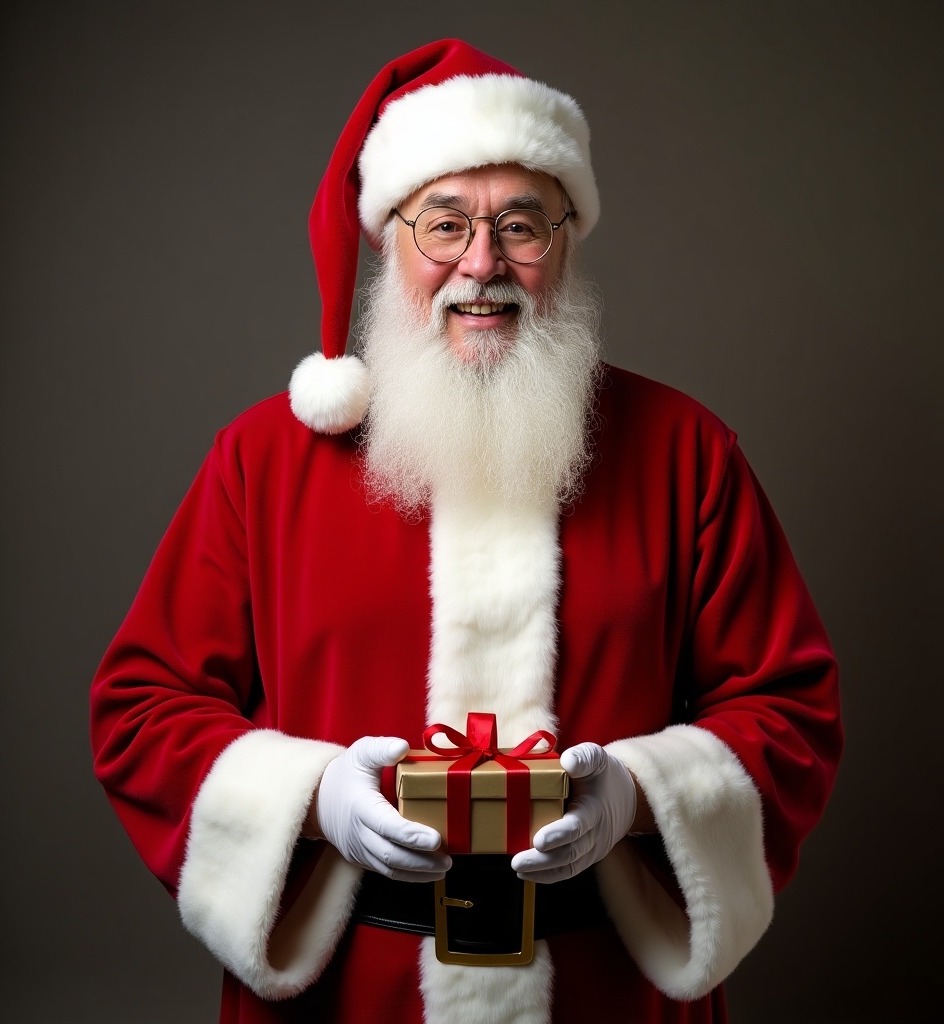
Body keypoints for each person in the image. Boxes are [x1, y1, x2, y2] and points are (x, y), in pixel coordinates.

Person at [90, 39, 842, 1024]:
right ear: (388, 238)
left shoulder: (686, 453)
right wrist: (314, 799)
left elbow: (789, 707)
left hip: (608, 992)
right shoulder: (261, 460)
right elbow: (143, 709)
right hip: (346, 993)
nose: (482, 264)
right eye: (444, 223)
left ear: (566, 241)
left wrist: (640, 796)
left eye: (520, 224)